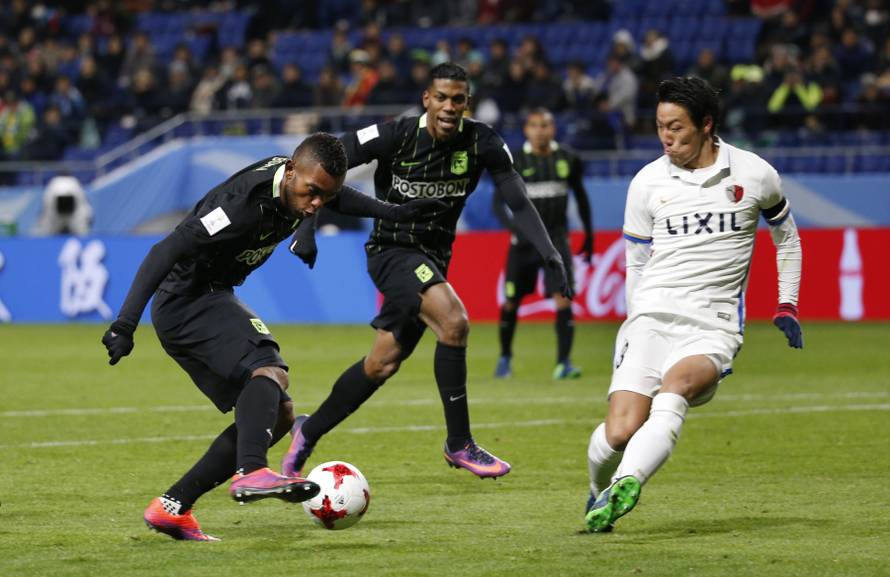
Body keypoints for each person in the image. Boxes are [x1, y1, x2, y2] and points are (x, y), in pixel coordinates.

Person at [101, 133, 442, 541]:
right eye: (312, 193)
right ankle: (251, 472)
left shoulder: (301, 184)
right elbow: (165, 249)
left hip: (213, 294)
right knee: (266, 366)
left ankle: (172, 506)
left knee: (278, 414)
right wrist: (125, 323)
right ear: (292, 171)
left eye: (324, 196)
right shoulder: (238, 206)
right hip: (187, 301)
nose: (316, 205)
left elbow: (338, 196)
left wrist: (394, 213)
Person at [283, 63, 571, 481]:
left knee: (382, 362)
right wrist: (306, 226)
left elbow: (519, 201)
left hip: (433, 260)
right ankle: (459, 443)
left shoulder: (483, 142)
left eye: (458, 99)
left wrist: (551, 255)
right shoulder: (395, 135)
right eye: (441, 97)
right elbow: (321, 161)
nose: (449, 106)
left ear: (466, 103)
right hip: (392, 251)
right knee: (453, 322)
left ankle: (306, 431)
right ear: (427, 99)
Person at [583, 77, 803, 533]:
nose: (667, 136)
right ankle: (598, 490)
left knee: (675, 388)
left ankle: (627, 483)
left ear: (706, 125)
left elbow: (788, 239)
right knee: (620, 432)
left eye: (677, 127)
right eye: (660, 126)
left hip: (712, 325)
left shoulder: (754, 173)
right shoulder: (647, 181)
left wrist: (787, 302)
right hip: (650, 320)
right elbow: (636, 262)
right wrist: (632, 323)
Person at [492, 108, 593, 380]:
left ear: (553, 129)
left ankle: (564, 363)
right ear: (526, 129)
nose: (540, 131)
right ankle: (505, 359)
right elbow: (497, 204)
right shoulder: (515, 161)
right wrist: (516, 229)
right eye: (535, 125)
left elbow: (581, 198)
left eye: (545, 125)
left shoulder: (567, 158)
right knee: (511, 300)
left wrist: (589, 235)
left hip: (557, 241)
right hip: (522, 245)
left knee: (563, 297)